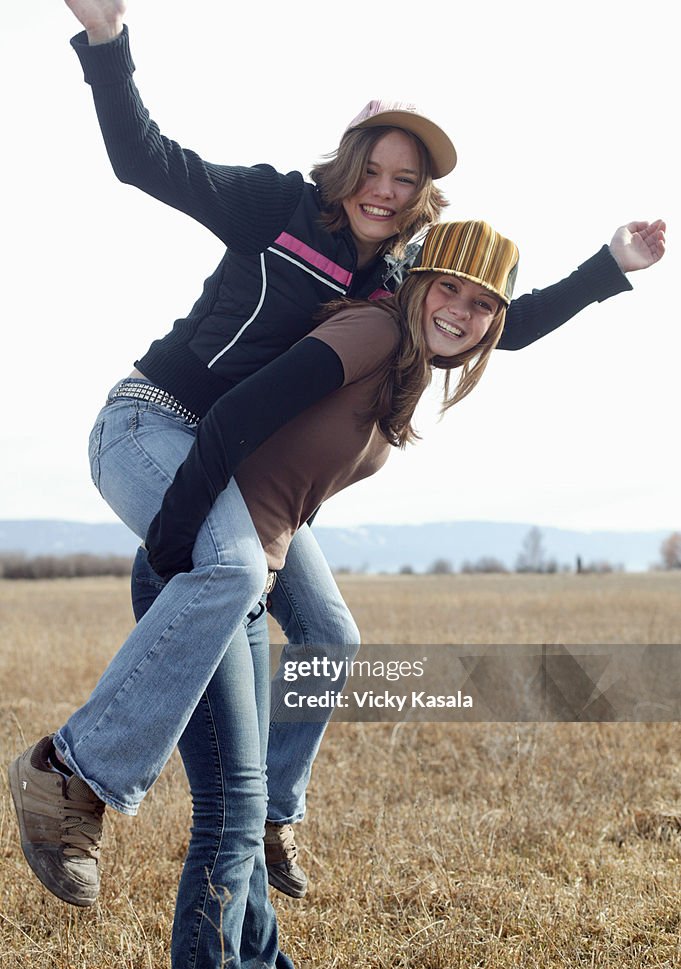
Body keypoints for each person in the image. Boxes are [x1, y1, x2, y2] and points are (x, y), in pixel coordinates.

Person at [51, 0, 666, 901]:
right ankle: (74, 773)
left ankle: (270, 814)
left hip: (245, 470)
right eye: (371, 167)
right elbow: (146, 160)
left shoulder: (397, 280)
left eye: (405, 180)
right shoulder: (274, 205)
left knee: (333, 636)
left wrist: (607, 269)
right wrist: (108, 44)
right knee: (226, 573)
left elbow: (501, 325)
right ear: (345, 162)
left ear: (423, 196)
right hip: (154, 420)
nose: (384, 189)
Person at [9, 215, 665, 969]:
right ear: (417, 281)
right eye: (449, 290)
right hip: (214, 562)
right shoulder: (372, 331)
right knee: (228, 813)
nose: (464, 312)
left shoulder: (417, 351)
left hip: (261, 552)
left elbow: (510, 328)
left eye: (482, 304)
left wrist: (611, 265)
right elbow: (231, 417)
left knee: (306, 693)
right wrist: (182, 543)